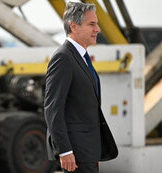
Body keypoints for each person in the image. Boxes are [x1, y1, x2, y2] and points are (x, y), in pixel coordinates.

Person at [44, 2, 118, 173]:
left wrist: (96, 152)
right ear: (74, 26)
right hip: (76, 153)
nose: (98, 29)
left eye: (97, 24)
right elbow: (52, 109)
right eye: (92, 24)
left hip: (88, 152)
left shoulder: (82, 57)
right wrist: (65, 150)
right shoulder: (63, 58)